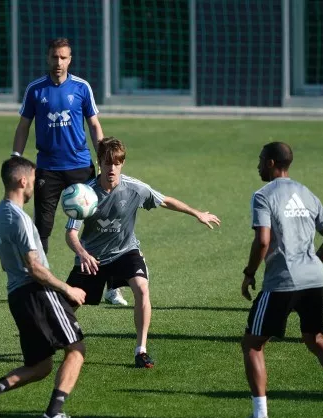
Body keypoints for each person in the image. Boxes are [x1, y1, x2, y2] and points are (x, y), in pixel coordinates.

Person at [64, 137, 220, 368]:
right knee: (67, 308)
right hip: (93, 258)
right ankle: (51, 342)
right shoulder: (85, 195)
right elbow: (71, 234)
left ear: (122, 164)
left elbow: (164, 201)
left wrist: (196, 213)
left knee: (142, 288)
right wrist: (83, 253)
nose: (112, 168)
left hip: (125, 251)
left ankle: (141, 350)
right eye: (107, 163)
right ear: (99, 163)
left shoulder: (134, 188)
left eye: (117, 163)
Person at [233, 142, 323, 418]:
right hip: (314, 279)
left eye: (261, 160)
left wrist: (249, 273)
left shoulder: (263, 196)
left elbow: (263, 241)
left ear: (273, 163)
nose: (258, 165)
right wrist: (313, 263)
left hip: (283, 281)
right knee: (316, 339)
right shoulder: (307, 193)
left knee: (252, 345)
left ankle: (260, 415)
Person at [0, 156, 87, 418]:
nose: (35, 186)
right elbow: (34, 268)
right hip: (37, 292)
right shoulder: (19, 219)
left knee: (41, 365)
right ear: (23, 181)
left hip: (17, 296)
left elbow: (5, 262)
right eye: (33, 181)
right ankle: (54, 413)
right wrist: (67, 288)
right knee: (76, 348)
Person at [11, 37, 127, 307]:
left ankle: (112, 287)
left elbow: (94, 125)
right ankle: (40, 283)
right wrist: (16, 159)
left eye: (63, 57)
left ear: (70, 60)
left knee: (103, 226)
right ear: (48, 58)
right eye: (54, 57)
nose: (58, 62)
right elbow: (23, 126)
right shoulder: (35, 90)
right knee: (43, 227)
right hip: (48, 170)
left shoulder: (82, 87)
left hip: (80, 167)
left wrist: (103, 159)